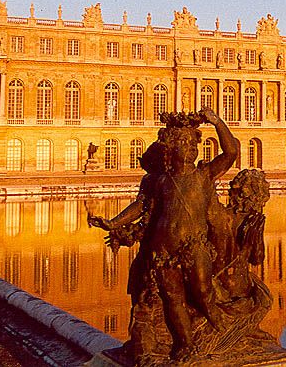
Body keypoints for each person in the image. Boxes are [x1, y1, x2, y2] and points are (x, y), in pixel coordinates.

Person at [89, 107, 238, 360]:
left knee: (203, 292)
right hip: (164, 251)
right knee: (173, 299)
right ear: (171, 148)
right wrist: (114, 223)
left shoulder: (204, 175)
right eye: (185, 143)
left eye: (193, 144)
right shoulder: (159, 180)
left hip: (194, 247)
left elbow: (231, 152)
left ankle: (225, 329)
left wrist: (216, 121)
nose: (191, 148)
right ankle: (185, 345)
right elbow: (141, 205)